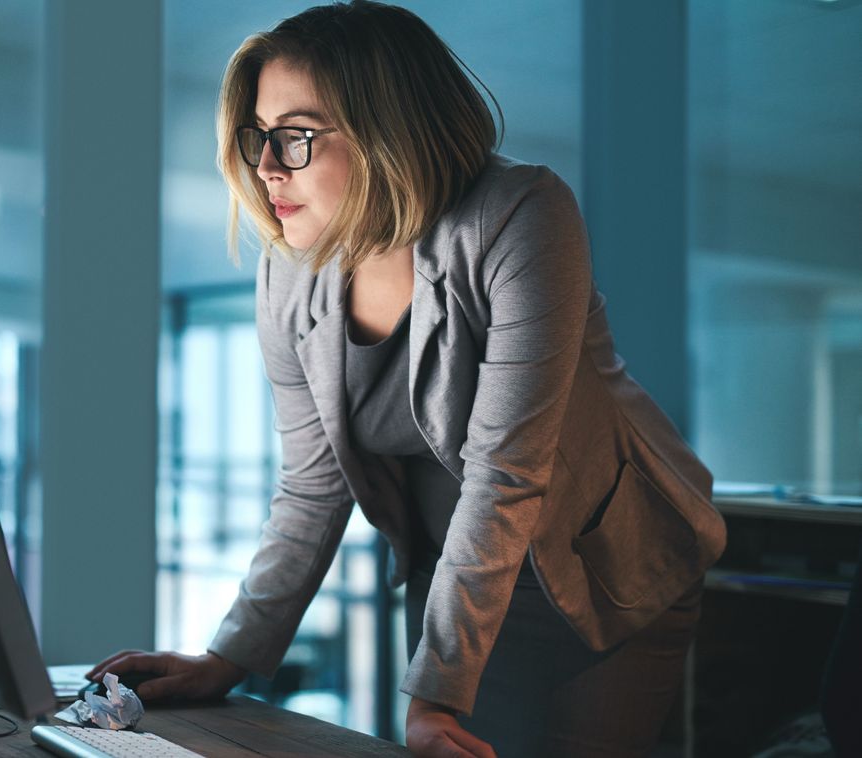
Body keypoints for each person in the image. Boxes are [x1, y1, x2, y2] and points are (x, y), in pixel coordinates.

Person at [87, 2, 727, 755]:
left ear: (386, 127)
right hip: (452, 570)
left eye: (294, 137)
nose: (266, 167)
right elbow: (312, 487)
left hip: (607, 567)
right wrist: (226, 658)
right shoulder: (287, 274)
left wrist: (430, 701)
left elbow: (504, 475)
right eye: (258, 137)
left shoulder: (520, 213)